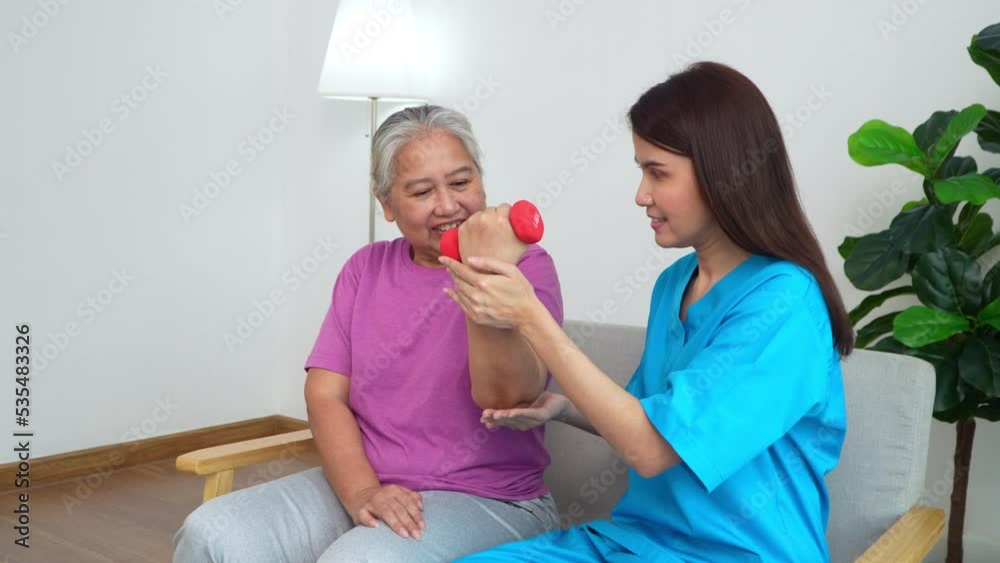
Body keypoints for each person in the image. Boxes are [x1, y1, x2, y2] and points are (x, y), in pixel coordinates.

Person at [444, 62, 856, 562]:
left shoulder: (784, 304)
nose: (641, 195)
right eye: (641, 171)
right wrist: (564, 408)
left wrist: (529, 316)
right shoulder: (675, 283)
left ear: (723, 174)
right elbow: (650, 414)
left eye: (657, 173)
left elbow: (650, 448)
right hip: (639, 542)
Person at [172, 105, 564, 562]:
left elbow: (508, 398)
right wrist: (361, 491)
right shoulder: (366, 268)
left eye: (461, 182)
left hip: (490, 498)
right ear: (387, 205)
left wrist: (483, 273)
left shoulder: (525, 267)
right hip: (367, 479)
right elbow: (325, 395)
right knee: (211, 534)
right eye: (422, 191)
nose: (447, 205)